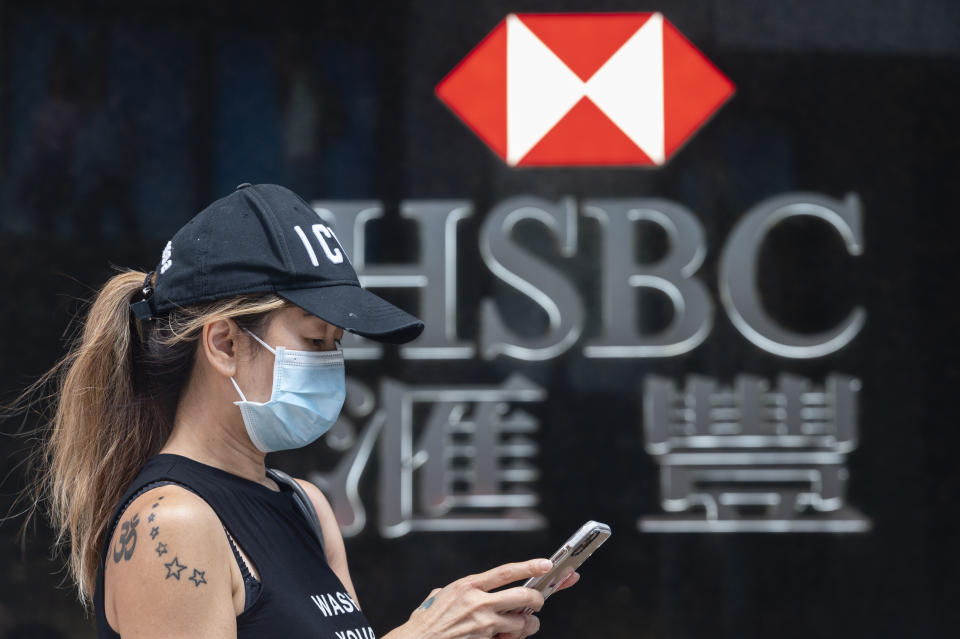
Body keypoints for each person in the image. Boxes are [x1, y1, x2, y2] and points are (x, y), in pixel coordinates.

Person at [27, 183, 578, 638]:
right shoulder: (172, 525)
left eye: (337, 343)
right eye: (315, 340)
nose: (332, 361)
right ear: (223, 345)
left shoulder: (304, 507)